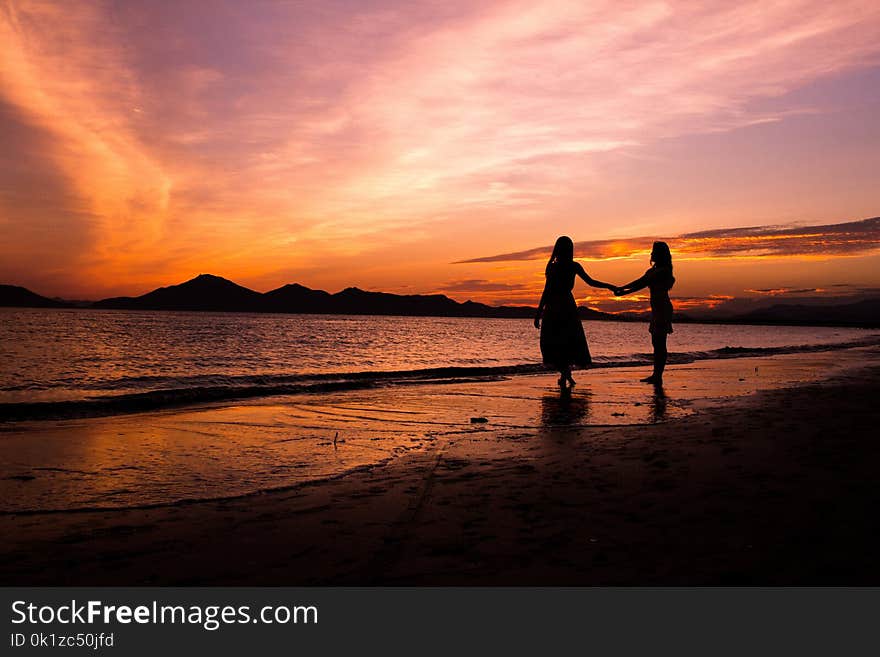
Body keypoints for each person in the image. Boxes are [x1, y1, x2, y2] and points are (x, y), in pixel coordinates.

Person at [534, 236, 617, 390]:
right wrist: (609, 287)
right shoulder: (571, 266)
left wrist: (539, 312)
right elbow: (591, 282)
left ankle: (565, 374)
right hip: (565, 306)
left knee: (556, 341)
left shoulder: (554, 267)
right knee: (566, 340)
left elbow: (546, 291)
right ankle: (566, 374)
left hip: (556, 307)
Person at [614, 241, 675, 384]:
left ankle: (657, 376)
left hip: (663, 309)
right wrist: (622, 290)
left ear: (660, 254)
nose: (651, 254)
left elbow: (641, 284)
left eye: (654, 252)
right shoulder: (653, 271)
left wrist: (622, 290)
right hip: (657, 309)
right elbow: (640, 281)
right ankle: (656, 375)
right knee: (656, 342)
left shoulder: (663, 271)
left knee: (660, 342)